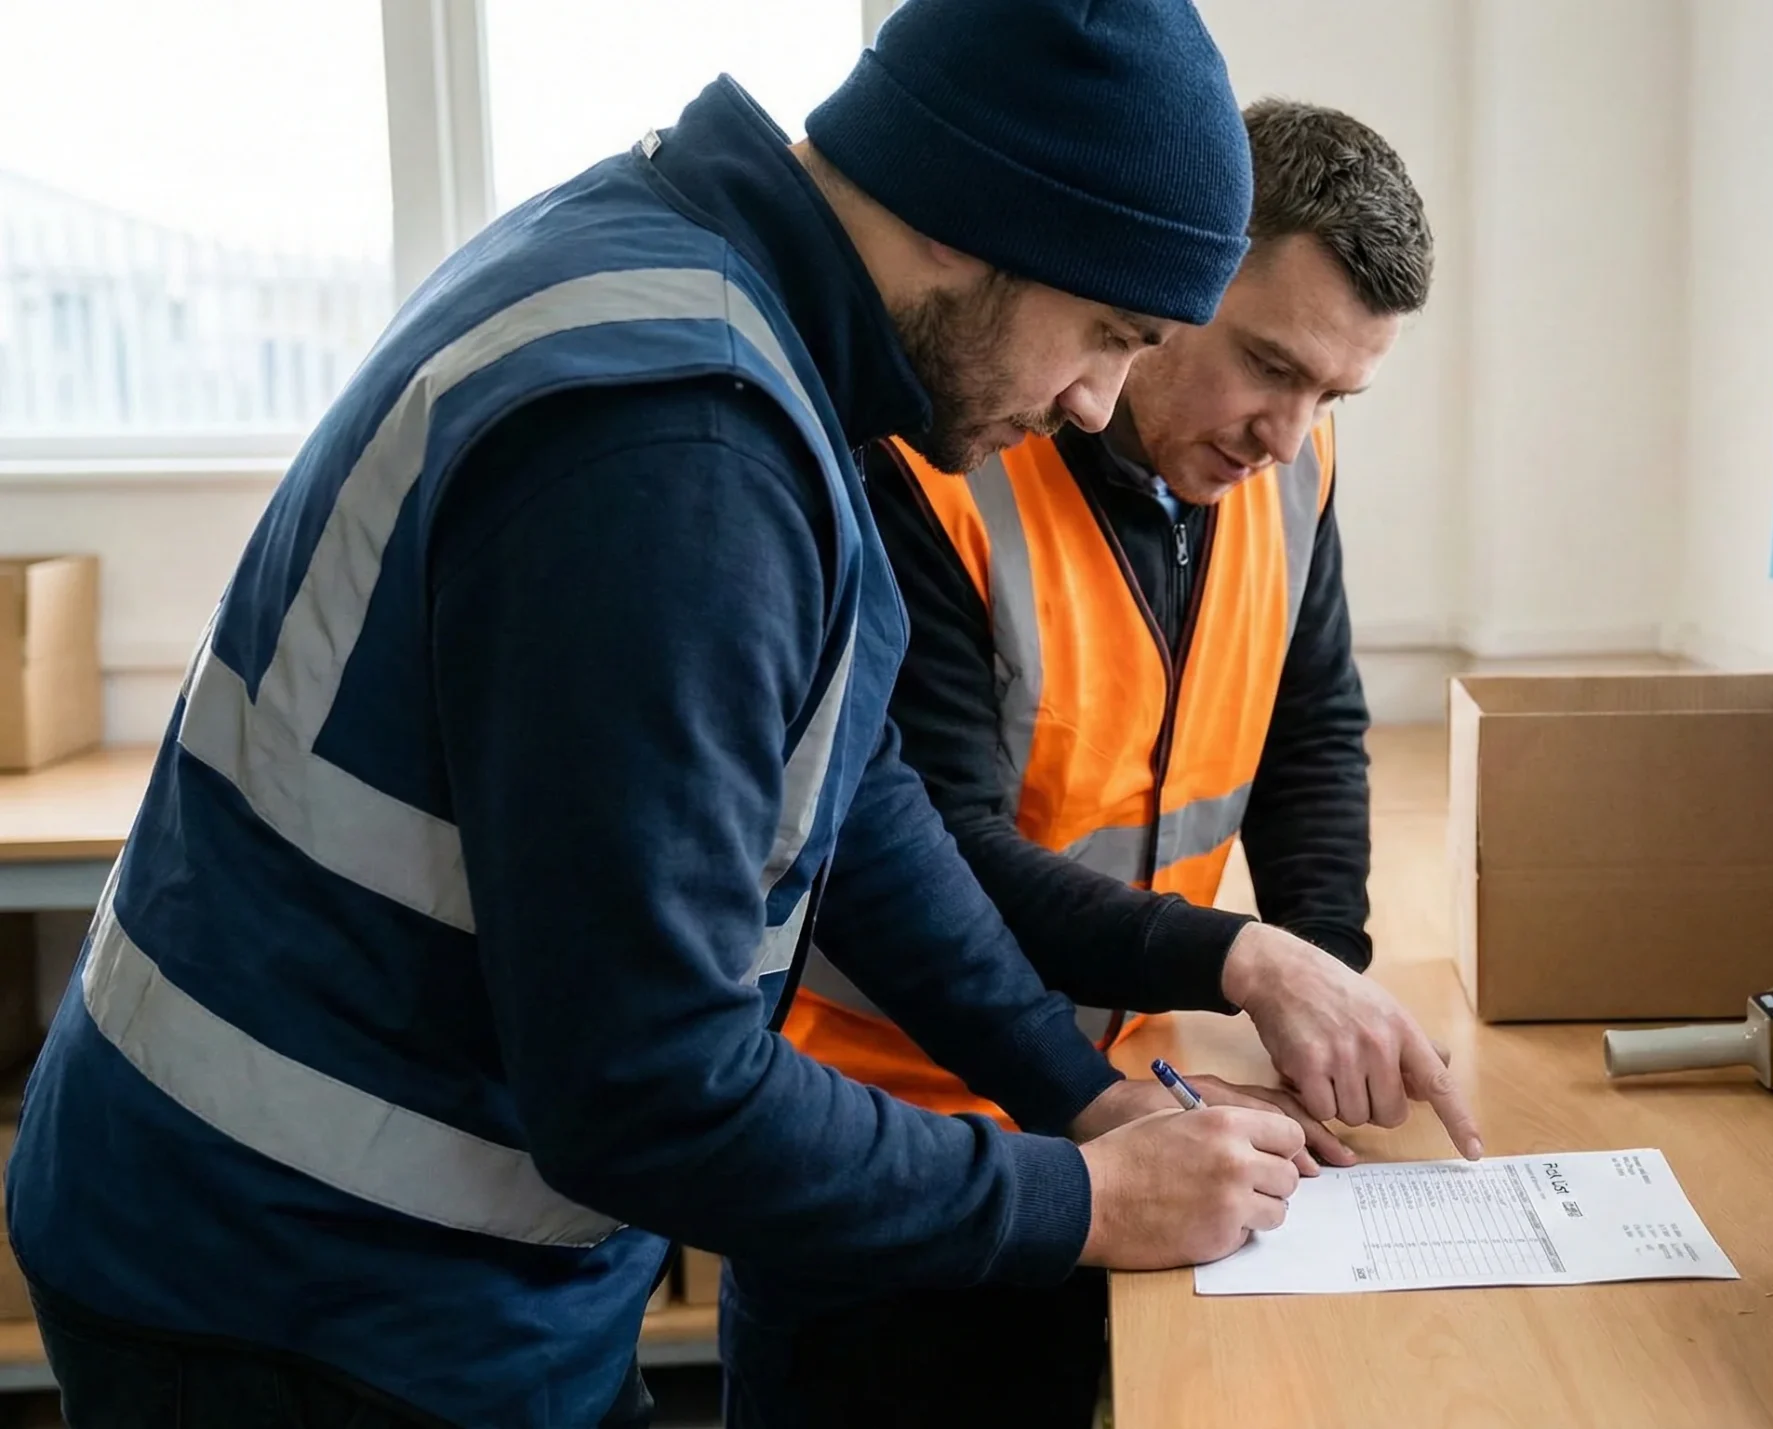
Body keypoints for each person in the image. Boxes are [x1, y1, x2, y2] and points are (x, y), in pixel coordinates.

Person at [5, 4, 1326, 1425]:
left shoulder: (713, 295)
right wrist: (1077, 1202)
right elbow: (652, 1084)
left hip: (391, 1240)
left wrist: (1080, 1097)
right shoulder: (677, 446)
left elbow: (850, 801)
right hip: (296, 1282)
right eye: (1106, 332)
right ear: (963, 217)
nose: (1091, 403)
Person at [730, 98, 1457, 1428]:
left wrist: (1324, 972)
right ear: (1172, 274)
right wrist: (1236, 957)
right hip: (883, 1139)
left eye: (1332, 395)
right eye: (1269, 365)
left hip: (1120, 1114)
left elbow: (1312, 724)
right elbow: (927, 840)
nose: (1286, 434)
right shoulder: (935, 469)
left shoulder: (1290, 466)